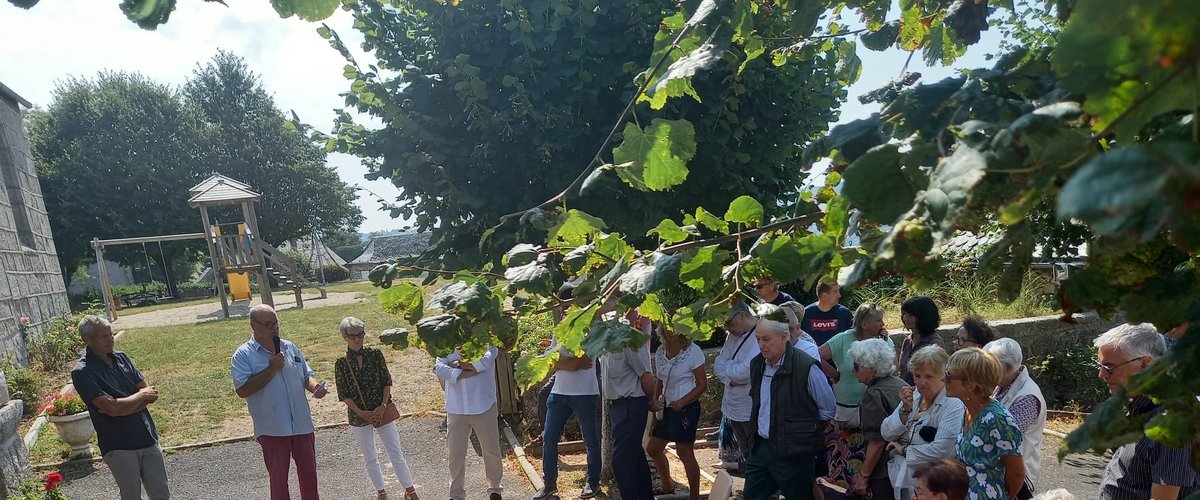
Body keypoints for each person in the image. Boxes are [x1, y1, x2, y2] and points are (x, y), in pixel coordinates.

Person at [1093, 323, 1200, 500]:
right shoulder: (1139, 405)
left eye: (1110, 367)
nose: (1101, 374)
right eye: (1099, 365)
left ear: (1145, 364)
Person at [232, 304, 328, 500]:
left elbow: (306, 374)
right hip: (273, 429)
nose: (275, 328)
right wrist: (272, 369)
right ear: (253, 326)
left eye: (276, 323)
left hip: (301, 424)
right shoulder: (243, 355)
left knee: (309, 475)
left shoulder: (289, 346)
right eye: (269, 324)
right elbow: (243, 390)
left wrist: (315, 387)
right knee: (279, 481)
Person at [71, 315, 170, 500]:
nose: (110, 340)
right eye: (104, 336)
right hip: (119, 445)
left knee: (161, 493)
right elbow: (113, 408)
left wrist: (123, 406)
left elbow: (151, 394)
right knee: (131, 496)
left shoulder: (122, 358)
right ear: (87, 340)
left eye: (111, 334)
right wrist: (139, 397)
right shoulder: (82, 372)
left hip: (147, 436)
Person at [743, 313, 836, 500]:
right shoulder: (757, 365)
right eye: (758, 339)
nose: (761, 344)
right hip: (760, 447)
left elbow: (827, 409)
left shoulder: (806, 367)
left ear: (784, 337)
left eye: (766, 339)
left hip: (794, 452)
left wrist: (801, 436)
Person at [333, 317, 419, 500]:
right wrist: (360, 412)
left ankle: (410, 489)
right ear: (344, 337)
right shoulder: (341, 363)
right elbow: (344, 393)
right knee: (370, 456)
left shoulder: (375, 354)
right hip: (359, 415)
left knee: (395, 451)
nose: (357, 339)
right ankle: (381, 492)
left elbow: (386, 382)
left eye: (360, 334)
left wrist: (382, 406)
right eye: (352, 336)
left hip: (382, 410)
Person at [818, 303, 893, 493]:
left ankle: (861, 487)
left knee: (866, 457)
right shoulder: (844, 339)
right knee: (844, 460)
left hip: (871, 410)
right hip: (845, 412)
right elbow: (815, 355)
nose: (882, 323)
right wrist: (834, 374)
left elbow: (893, 366)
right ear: (865, 323)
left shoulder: (884, 340)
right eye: (878, 320)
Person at [882, 346, 964, 500]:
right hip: (903, 476)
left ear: (944, 376)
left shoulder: (954, 404)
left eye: (929, 376)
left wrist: (904, 450)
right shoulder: (914, 395)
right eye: (917, 376)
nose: (922, 382)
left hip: (934, 484)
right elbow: (886, 432)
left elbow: (942, 450)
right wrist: (904, 411)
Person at [945, 348, 1024, 499]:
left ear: (970, 385)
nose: (943, 379)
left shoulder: (997, 419)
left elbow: (1017, 473)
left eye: (949, 375)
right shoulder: (969, 409)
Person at [533, 337, 602, 499]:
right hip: (558, 393)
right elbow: (549, 363)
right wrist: (567, 363)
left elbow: (579, 362)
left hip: (585, 394)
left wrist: (561, 362)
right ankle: (549, 485)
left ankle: (593, 483)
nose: (563, 310)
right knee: (549, 439)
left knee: (590, 440)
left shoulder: (590, 328)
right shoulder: (561, 330)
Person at [436, 345, 505, 500]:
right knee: (455, 454)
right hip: (456, 408)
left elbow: (484, 363)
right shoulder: (447, 341)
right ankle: (456, 494)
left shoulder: (486, 340)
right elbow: (439, 368)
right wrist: (468, 370)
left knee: (491, 450)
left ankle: (495, 489)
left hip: (483, 405)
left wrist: (457, 365)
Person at [648, 325, 707, 499]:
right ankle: (667, 485)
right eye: (666, 326)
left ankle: (694, 496)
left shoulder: (693, 350)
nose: (670, 330)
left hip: (687, 408)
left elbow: (702, 384)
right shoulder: (660, 350)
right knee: (653, 448)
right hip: (666, 408)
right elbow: (660, 380)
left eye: (674, 326)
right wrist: (655, 406)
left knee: (684, 452)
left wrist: (682, 402)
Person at [845, 338, 908, 499]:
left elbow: (877, 441)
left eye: (857, 366)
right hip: (904, 464)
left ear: (871, 369)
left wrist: (864, 476)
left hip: (884, 469)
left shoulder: (874, 394)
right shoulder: (900, 383)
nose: (854, 370)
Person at [984, 338, 1045, 497]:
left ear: (1008, 367)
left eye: (992, 365)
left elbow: (1004, 438)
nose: (987, 370)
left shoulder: (1028, 397)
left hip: (1017, 479)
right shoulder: (1002, 384)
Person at [598, 338, 656, 499]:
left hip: (631, 404)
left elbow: (647, 377)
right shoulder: (603, 341)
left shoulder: (631, 341)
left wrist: (650, 401)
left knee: (620, 460)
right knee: (635, 455)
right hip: (617, 406)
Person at [711, 301, 763, 472]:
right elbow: (717, 364)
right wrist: (730, 375)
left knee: (757, 453)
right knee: (745, 451)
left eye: (728, 322)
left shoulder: (760, 334)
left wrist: (728, 368)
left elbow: (746, 372)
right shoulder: (732, 336)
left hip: (750, 407)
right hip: (732, 405)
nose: (726, 328)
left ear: (741, 316)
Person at [898, 297, 943, 385]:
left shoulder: (934, 343)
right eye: (904, 314)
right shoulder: (907, 341)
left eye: (910, 315)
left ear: (924, 317)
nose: (905, 318)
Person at [801, 277, 855, 346]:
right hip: (812, 356)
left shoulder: (844, 313)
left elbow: (852, 338)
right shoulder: (806, 313)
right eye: (835, 291)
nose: (839, 295)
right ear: (825, 295)